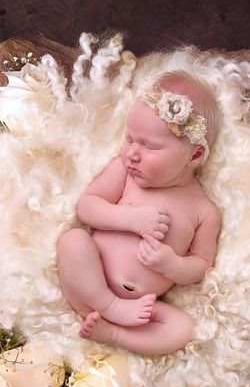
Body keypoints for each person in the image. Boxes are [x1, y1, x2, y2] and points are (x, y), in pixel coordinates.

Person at [56, 70, 222, 354]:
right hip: (88, 285)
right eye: (130, 139)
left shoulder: (204, 210)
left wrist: (173, 265)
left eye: (149, 146)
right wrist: (130, 219)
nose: (132, 153)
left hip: (141, 308)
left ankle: (113, 334)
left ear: (194, 155)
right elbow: (87, 207)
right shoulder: (125, 172)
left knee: (182, 329)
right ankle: (108, 305)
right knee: (72, 241)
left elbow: (201, 264)